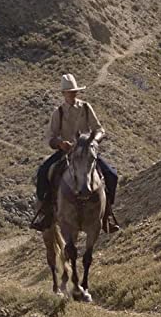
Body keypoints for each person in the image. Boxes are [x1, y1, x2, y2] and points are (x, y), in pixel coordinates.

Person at [29, 73, 121, 233]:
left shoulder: (86, 107)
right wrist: (59, 143)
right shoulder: (58, 112)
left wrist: (94, 141)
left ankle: (107, 213)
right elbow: (50, 137)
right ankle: (46, 213)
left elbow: (99, 129)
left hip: (86, 152)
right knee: (43, 172)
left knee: (111, 174)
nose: (72, 94)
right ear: (64, 93)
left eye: (74, 91)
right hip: (65, 153)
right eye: (69, 91)